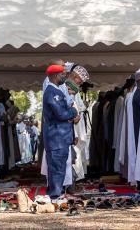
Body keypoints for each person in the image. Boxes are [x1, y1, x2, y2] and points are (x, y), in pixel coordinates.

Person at [42, 64, 78, 201]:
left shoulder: (56, 91)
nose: (64, 77)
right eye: (62, 74)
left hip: (59, 136)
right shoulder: (52, 92)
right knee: (57, 167)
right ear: (55, 76)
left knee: (58, 166)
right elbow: (61, 114)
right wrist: (73, 111)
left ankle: (56, 194)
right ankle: (55, 195)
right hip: (57, 136)